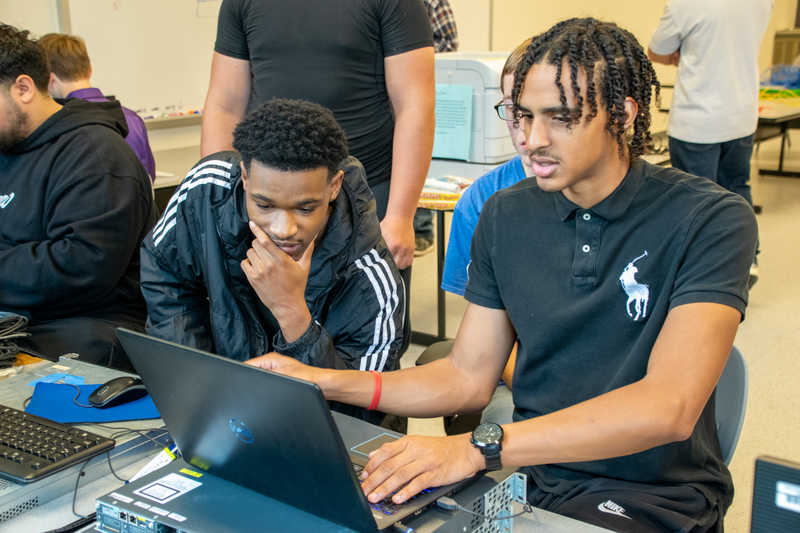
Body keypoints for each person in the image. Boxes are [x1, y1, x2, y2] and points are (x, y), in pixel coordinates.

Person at [247, 18, 758, 532]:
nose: (532, 139)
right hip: (534, 478)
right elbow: (467, 376)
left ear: (621, 116)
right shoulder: (504, 215)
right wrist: (321, 379)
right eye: (521, 115)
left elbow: (667, 406)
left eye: (560, 117)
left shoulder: (710, 218)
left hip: (653, 495)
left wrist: (476, 448)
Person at [140, 98, 404, 425]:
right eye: (264, 206)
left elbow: (362, 412)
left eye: (306, 209)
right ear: (245, 178)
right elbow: (166, 275)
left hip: (321, 437)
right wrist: (199, 383)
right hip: (223, 416)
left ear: (334, 186)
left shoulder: (370, 279)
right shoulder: (205, 192)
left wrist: (292, 312)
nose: (284, 230)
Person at [201, 0, 435, 276]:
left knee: (365, 313)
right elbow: (224, 107)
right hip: (272, 196)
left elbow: (415, 105)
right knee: (265, 311)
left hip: (366, 193)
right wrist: (215, 206)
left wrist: (400, 216)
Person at [0, 24, 157, 371]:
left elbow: (80, 266)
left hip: (86, 327)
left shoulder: (96, 156)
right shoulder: (8, 145)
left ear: (23, 88)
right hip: (21, 317)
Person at [439, 38, 534, 428]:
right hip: (515, 374)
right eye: (513, 110)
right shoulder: (481, 201)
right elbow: (485, 335)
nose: (526, 130)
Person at [648, 0, 772, 287]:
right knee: (738, 186)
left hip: (698, 121)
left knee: (697, 199)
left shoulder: (685, 4)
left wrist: (685, 52)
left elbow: (656, 51)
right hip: (742, 115)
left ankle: (706, 272)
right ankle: (747, 261)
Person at [37, 33, 156, 182]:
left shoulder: (59, 125)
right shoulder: (132, 118)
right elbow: (149, 179)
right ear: (90, 70)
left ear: (49, 79)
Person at [413, 0, 459, 256]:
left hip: (420, 82)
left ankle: (422, 231)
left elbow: (449, 43)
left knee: (419, 152)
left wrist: (411, 57)